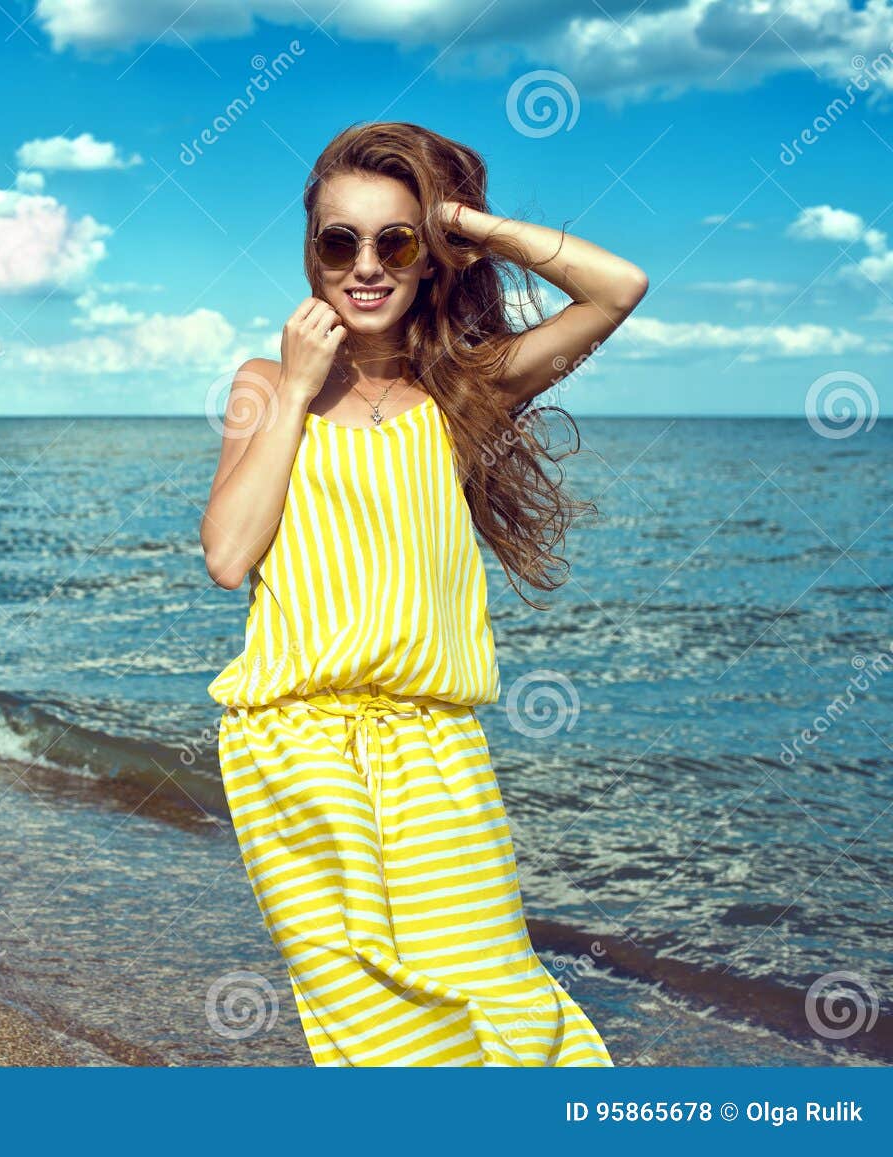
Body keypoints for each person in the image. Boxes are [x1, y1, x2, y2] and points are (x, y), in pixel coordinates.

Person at [199, 121, 646, 1066]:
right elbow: (230, 555)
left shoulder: (466, 391)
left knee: (495, 987)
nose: (366, 265)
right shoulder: (264, 383)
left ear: (427, 257)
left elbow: (618, 289)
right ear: (312, 255)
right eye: (339, 241)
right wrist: (300, 385)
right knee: (372, 1018)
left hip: (438, 747)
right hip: (293, 743)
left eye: (394, 241)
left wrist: (468, 223)